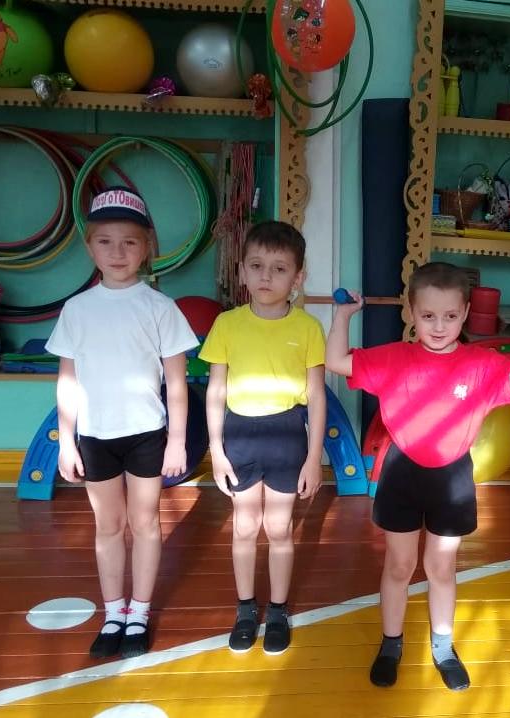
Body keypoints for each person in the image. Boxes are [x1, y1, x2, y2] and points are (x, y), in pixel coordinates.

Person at [326, 261, 510, 691]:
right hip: (402, 473)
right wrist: (343, 316)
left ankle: (443, 647)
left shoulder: (480, 364)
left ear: (465, 312)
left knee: (441, 567)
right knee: (399, 565)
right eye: (428, 315)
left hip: (451, 479)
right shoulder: (394, 358)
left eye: (450, 315)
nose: (439, 326)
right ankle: (391, 644)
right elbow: (336, 360)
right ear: (411, 312)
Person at [47, 187, 197, 659]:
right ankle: (113, 612)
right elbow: (67, 381)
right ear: (90, 247)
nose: (118, 252)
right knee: (108, 525)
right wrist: (66, 442)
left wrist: (177, 442)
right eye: (106, 241)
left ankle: (139, 613)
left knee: (145, 522)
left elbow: (177, 383)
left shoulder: (160, 308)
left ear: (147, 247)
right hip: (95, 437)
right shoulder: (77, 310)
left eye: (130, 242)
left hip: (146, 435)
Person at [200, 221, 326, 655]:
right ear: (241, 271)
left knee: (279, 527)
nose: (266, 277)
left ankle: (277, 611)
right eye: (256, 266)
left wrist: (314, 457)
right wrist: (216, 450)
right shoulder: (227, 325)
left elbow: (316, 396)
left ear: (298, 277)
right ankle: (245, 609)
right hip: (240, 434)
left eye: (279, 268)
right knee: (245, 525)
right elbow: (215, 391)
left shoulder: (308, 328)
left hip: (287, 435)